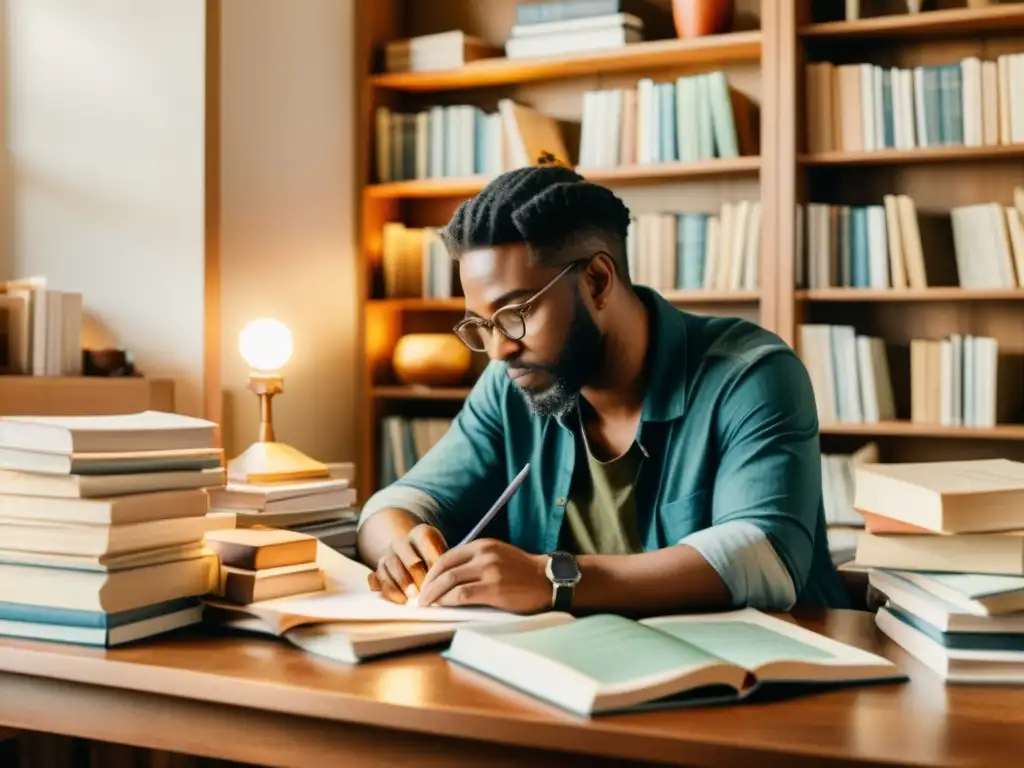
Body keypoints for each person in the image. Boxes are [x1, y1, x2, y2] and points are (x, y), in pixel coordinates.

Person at [356, 163, 850, 617]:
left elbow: (761, 558)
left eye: (516, 315)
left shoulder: (752, 374)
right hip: (568, 682)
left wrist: (552, 578)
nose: (499, 349)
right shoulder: (513, 385)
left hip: (761, 684)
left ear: (596, 281)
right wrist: (403, 548)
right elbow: (395, 505)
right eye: (482, 325)